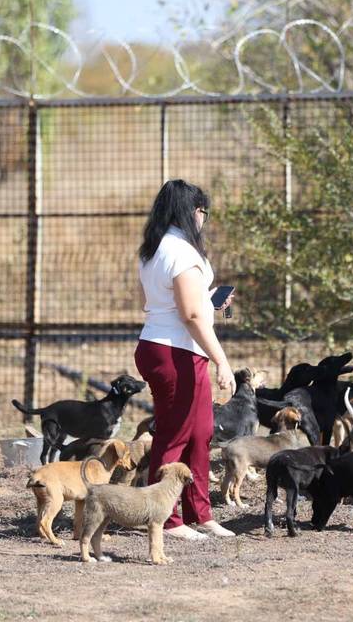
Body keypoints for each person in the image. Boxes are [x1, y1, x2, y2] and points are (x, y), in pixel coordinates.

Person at [135, 179, 236, 540]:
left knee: (200, 433)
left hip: (164, 346)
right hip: (175, 352)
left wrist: (207, 303)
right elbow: (191, 316)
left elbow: (170, 304)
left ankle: (200, 512)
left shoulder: (155, 250)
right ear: (192, 211)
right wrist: (221, 360)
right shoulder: (181, 252)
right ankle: (166, 517)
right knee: (175, 436)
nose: (204, 219)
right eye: (203, 212)